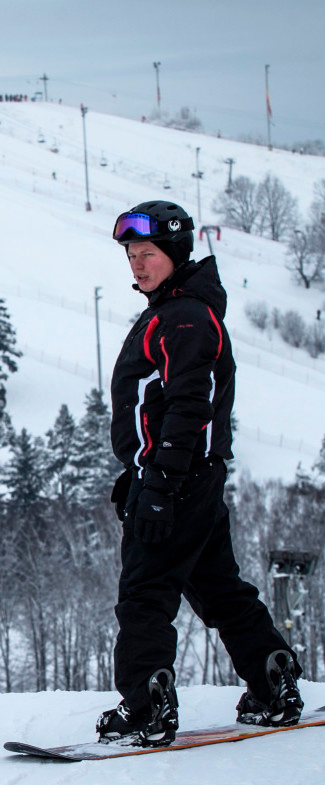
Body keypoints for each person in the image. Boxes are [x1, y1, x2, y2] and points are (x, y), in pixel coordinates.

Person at [98, 200, 303, 748]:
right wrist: (140, 469)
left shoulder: (183, 316)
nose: (138, 266)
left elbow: (191, 404)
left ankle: (146, 709)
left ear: (176, 253)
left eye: (148, 254)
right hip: (190, 476)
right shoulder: (178, 309)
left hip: (178, 479)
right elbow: (162, 405)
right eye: (132, 256)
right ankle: (273, 682)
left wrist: (159, 483)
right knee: (217, 586)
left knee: (145, 592)